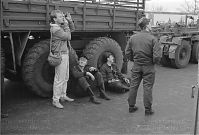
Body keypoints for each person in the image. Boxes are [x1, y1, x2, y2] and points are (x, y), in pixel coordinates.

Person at [125, 17, 161, 115]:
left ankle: (131, 107)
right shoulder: (153, 38)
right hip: (148, 67)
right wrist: (152, 62)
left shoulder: (132, 38)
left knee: (133, 86)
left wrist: (135, 60)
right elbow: (157, 56)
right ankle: (148, 110)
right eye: (149, 23)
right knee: (147, 88)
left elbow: (127, 53)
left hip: (136, 66)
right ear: (146, 26)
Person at [50, 9, 75, 109]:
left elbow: (72, 30)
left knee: (65, 77)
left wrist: (69, 21)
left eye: (62, 16)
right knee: (59, 79)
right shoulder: (55, 29)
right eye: (60, 17)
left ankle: (63, 96)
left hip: (65, 54)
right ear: (55, 19)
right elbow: (68, 36)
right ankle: (55, 100)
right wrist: (66, 25)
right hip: (60, 55)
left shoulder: (60, 26)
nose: (62, 18)